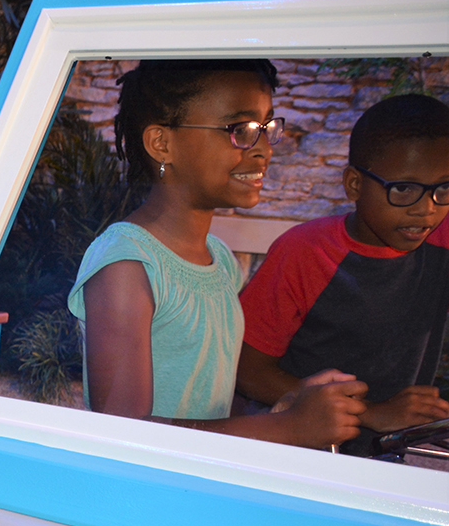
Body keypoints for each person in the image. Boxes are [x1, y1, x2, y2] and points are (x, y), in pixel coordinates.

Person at [67, 59, 365, 448]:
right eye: (240, 130)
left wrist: (285, 410)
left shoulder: (220, 259)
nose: (263, 150)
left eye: (267, 128)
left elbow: (212, 407)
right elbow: (122, 436)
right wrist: (288, 429)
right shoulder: (128, 265)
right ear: (162, 144)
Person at [236, 93, 449, 455]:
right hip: (301, 453)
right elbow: (247, 370)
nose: (425, 210)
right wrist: (372, 412)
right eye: (403, 189)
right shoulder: (305, 252)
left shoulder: (440, 238)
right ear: (354, 184)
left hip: (390, 455)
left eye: (443, 188)